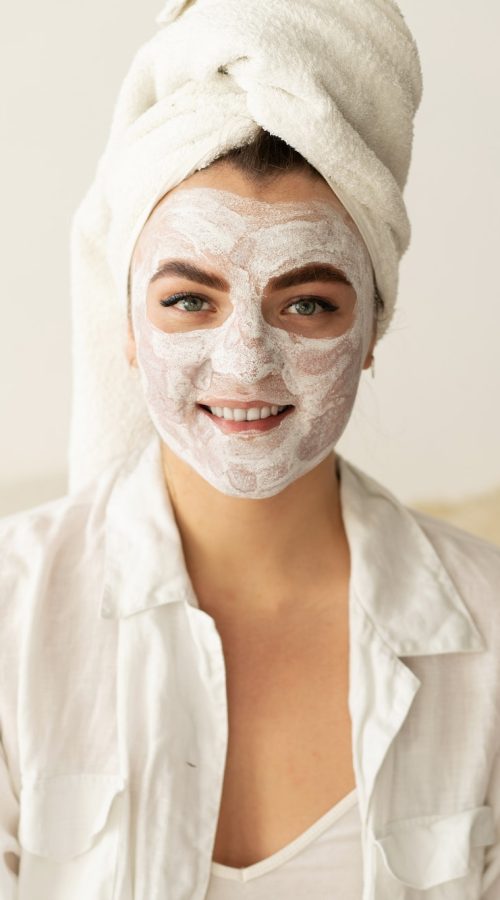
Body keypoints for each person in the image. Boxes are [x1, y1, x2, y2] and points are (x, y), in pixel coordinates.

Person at [1, 2, 499, 899]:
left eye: (306, 303)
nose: (245, 364)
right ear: (125, 324)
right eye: (189, 301)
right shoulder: (11, 622)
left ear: (373, 327)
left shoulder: (489, 637)